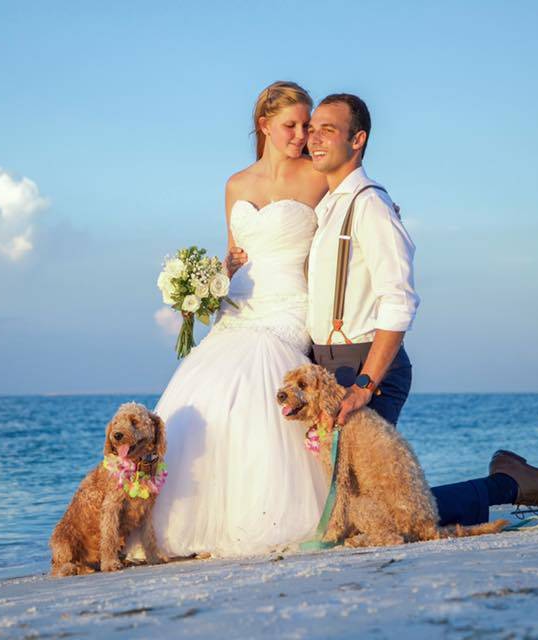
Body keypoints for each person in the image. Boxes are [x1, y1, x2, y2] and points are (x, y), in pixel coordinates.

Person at [303, 93, 538, 524]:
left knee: (392, 513)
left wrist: (366, 385)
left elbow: (399, 300)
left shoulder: (370, 206)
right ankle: (513, 479)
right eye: (312, 129)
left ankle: (520, 484)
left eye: (327, 130)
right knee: (352, 506)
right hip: (329, 367)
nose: (314, 138)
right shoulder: (327, 206)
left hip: (366, 366)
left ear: (358, 140)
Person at [141, 81, 330, 557]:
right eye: (291, 125)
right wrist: (210, 282)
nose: (301, 134)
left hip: (288, 304)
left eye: (306, 125)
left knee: (257, 371)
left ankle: (269, 517)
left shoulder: (317, 176)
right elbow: (235, 253)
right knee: (207, 384)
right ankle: (188, 523)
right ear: (264, 125)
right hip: (238, 304)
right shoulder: (236, 184)